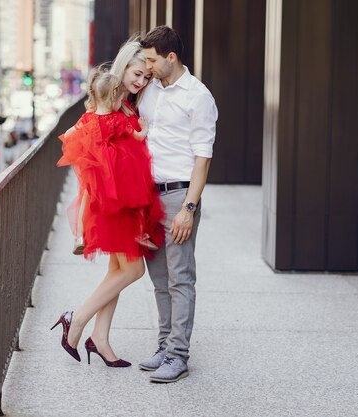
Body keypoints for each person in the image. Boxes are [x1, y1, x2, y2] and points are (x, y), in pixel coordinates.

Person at [52, 48, 164, 367]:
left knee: (118, 270)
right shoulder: (107, 106)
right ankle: (76, 319)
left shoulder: (126, 103)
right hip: (113, 203)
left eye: (146, 76)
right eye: (136, 74)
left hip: (126, 203)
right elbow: (80, 143)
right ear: (123, 68)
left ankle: (99, 339)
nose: (141, 81)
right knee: (133, 269)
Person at [138, 26, 218, 383]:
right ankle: (164, 346)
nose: (148, 66)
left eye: (153, 60)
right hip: (148, 196)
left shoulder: (198, 96)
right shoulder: (150, 90)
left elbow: (203, 158)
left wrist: (189, 207)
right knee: (158, 279)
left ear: (171, 57)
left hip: (178, 196)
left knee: (180, 278)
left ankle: (179, 356)